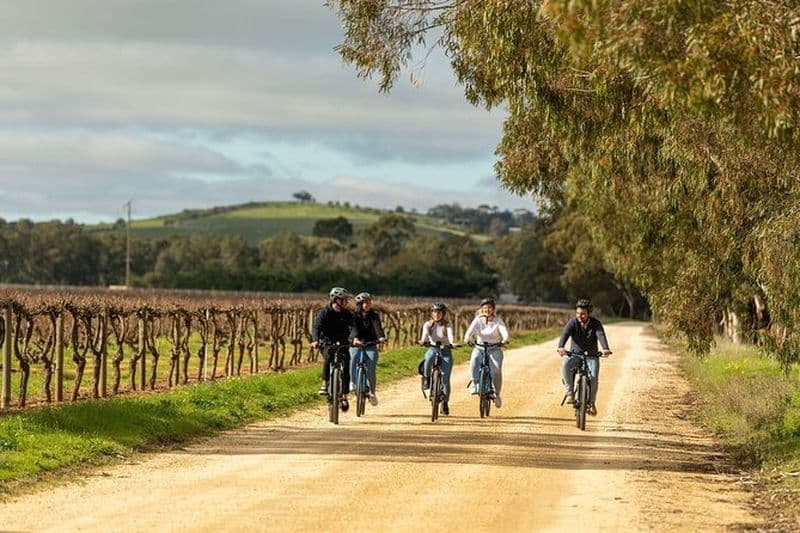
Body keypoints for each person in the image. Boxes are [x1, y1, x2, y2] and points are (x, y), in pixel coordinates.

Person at [557, 298, 612, 416]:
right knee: (565, 363)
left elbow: (601, 335)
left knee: (593, 378)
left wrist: (605, 348)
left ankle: (591, 403)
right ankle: (570, 393)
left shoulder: (596, 323)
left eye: (582, 314)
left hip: (592, 356)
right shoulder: (572, 323)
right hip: (575, 354)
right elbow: (565, 334)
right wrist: (561, 346)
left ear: (588, 313)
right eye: (577, 313)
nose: (579, 316)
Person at [311, 287, 355, 411]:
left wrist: (354, 338)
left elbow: (352, 327)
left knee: (346, 364)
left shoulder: (347, 314)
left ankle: (345, 396)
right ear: (336, 300)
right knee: (328, 358)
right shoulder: (324, 312)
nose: (346, 302)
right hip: (327, 343)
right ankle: (325, 383)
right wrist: (315, 340)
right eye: (344, 300)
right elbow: (317, 328)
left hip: (343, 343)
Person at [463, 297, 509, 408]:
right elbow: (469, 331)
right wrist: (467, 338)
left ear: (493, 309)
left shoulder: (498, 320)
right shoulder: (478, 319)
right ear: (481, 309)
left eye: (489, 307)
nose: (487, 310)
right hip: (480, 347)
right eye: (484, 308)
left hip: (494, 348)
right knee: (474, 360)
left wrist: (505, 340)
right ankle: (474, 383)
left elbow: (504, 331)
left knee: (497, 369)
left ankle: (497, 394)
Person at [349, 292, 386, 406]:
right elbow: (353, 327)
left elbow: (377, 326)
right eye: (365, 302)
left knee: (371, 368)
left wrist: (381, 337)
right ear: (360, 304)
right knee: (353, 359)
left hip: (370, 344)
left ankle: (372, 393)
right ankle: (352, 382)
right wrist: (355, 338)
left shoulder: (374, 315)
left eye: (369, 302)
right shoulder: (354, 316)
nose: (368, 304)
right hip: (356, 343)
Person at [419, 302, 455, 415]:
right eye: (435, 312)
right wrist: (423, 341)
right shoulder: (428, 325)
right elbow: (424, 336)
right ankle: (426, 378)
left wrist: (452, 343)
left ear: (443, 314)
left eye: (439, 312)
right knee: (428, 358)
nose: (437, 314)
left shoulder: (447, 325)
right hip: (433, 348)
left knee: (445, 379)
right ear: (432, 313)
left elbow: (450, 336)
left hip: (445, 351)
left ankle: (445, 402)